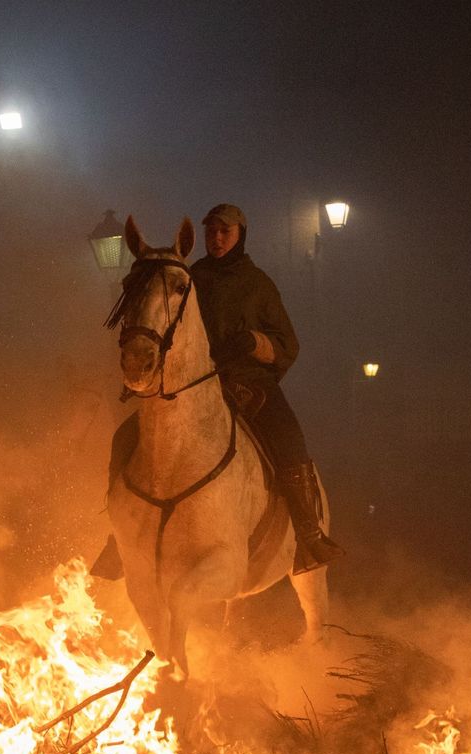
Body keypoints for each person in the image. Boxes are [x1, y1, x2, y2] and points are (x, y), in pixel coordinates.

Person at [93, 203, 342, 577]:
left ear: (240, 234)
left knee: (289, 439)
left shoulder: (258, 284)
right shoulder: (188, 278)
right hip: (194, 383)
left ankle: (309, 535)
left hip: (250, 382)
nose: (217, 238)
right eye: (212, 232)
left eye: (225, 231)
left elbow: (287, 344)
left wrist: (254, 342)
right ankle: (119, 538)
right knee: (125, 436)